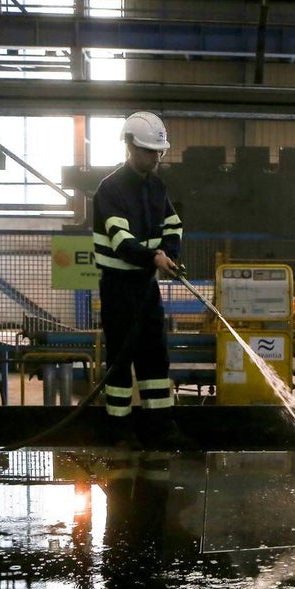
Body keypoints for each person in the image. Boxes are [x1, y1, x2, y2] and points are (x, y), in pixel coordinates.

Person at [91, 111, 186, 447]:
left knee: (154, 354)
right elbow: (121, 241)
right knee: (120, 357)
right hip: (118, 288)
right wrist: (153, 258)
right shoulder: (111, 189)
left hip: (146, 286)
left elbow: (173, 224)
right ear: (130, 146)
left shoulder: (156, 187)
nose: (156, 158)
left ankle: (158, 427)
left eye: (159, 152)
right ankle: (118, 429)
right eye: (149, 151)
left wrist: (169, 253)